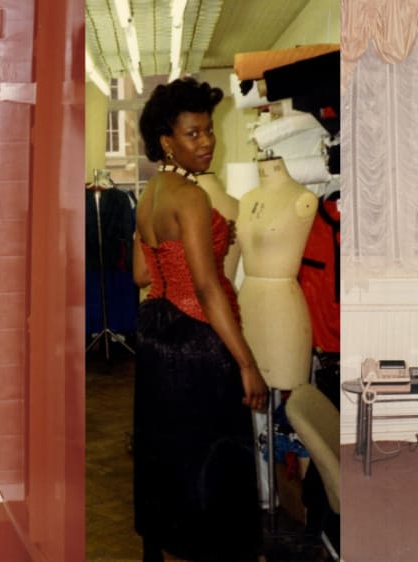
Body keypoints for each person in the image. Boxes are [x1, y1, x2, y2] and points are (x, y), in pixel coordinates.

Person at [131, 77, 267, 561]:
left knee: (167, 452)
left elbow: (142, 271)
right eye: (193, 133)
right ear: (167, 140)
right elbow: (209, 290)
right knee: (213, 459)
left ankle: (165, 545)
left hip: (155, 333)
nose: (206, 141)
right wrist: (247, 364)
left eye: (208, 130)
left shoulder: (151, 192)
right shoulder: (190, 198)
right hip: (196, 340)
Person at [235, 156, 318, 391]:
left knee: (283, 381)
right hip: (247, 302)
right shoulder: (247, 199)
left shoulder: (302, 199)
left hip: (282, 309)